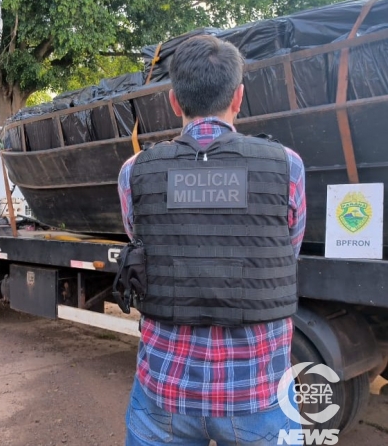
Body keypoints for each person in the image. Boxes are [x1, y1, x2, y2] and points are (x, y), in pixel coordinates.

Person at [118, 35, 306, 446]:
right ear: (238, 97)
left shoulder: (135, 170)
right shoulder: (287, 165)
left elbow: (143, 242)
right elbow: (288, 248)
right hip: (259, 392)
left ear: (173, 101)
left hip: (164, 393)